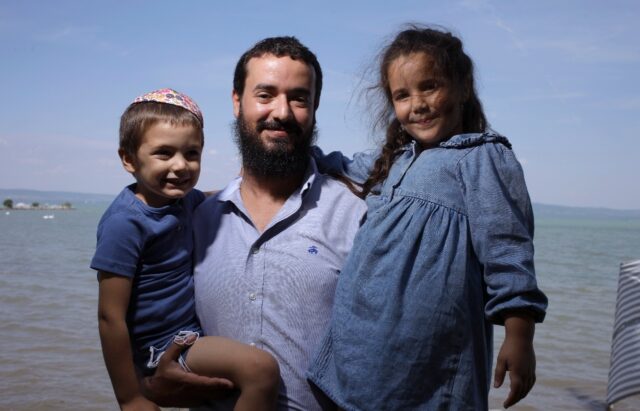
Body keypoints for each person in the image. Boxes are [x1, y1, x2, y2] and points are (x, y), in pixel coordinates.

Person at [307, 25, 549, 410]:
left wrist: (520, 338)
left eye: (429, 86)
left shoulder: (482, 157)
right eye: (402, 95)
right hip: (364, 348)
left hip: (428, 363)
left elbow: (508, 249)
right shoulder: (396, 160)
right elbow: (343, 165)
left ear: (463, 87)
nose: (416, 104)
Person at [143, 37, 367, 411]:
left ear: (314, 107)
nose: (281, 112)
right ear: (236, 102)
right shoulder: (194, 220)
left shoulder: (354, 216)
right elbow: (148, 322)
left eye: (298, 98)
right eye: (265, 95)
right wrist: (151, 383)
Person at [91, 88, 280, 411]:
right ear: (128, 159)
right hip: (161, 348)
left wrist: (256, 189)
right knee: (260, 369)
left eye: (191, 154)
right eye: (164, 153)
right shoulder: (126, 223)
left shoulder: (181, 201)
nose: (180, 166)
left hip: (189, 335)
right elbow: (110, 317)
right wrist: (130, 397)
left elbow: (210, 196)